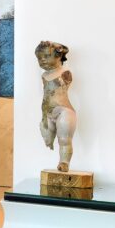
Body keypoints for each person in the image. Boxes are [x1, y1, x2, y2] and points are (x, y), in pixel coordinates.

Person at [35, 40, 77, 172]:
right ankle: (61, 160)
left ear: (58, 56)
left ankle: (64, 163)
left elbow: (64, 84)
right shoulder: (44, 75)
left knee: (64, 139)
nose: (42, 60)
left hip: (64, 111)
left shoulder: (65, 73)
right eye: (39, 58)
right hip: (48, 112)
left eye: (46, 56)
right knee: (47, 138)